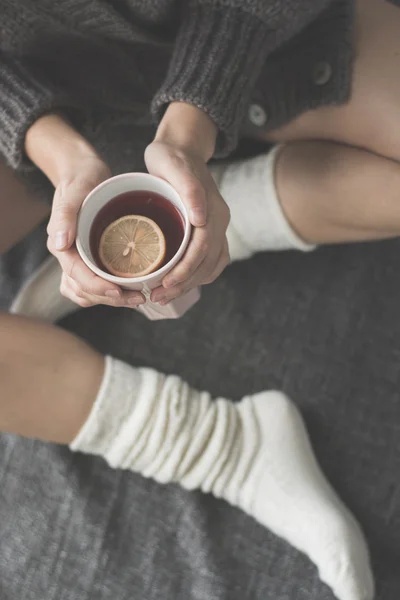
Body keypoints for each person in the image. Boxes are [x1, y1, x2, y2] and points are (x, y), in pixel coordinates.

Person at [4, 1, 399, 598]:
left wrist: (190, 127)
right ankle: (229, 452)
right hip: (38, 92)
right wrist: (64, 157)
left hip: (247, 31)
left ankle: (223, 219)